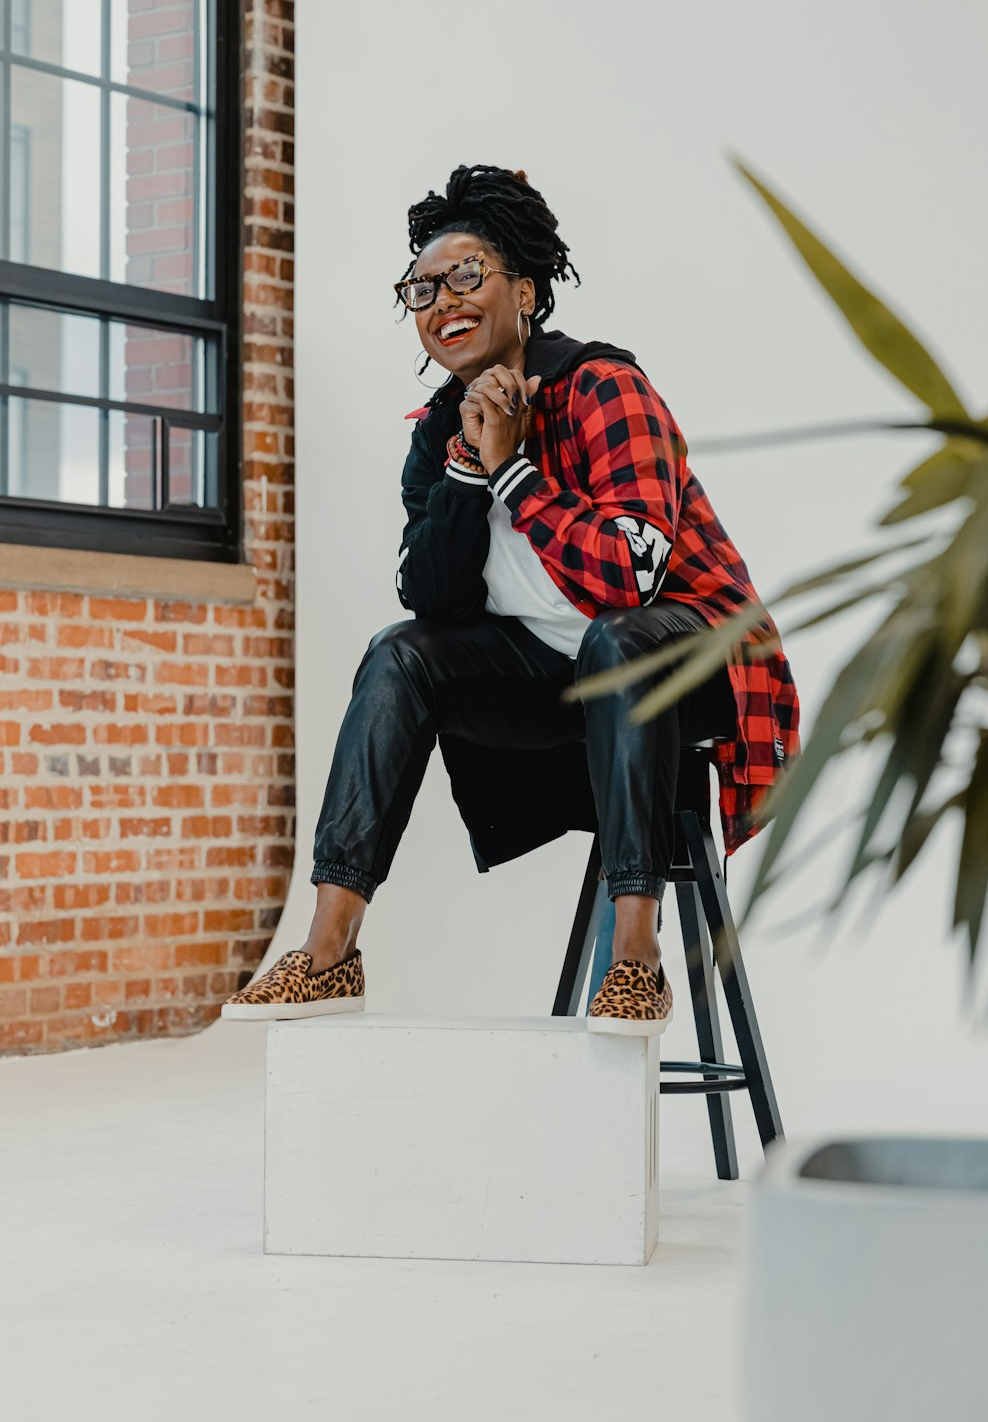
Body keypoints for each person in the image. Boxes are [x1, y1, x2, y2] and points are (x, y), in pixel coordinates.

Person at [222, 164, 800, 1035]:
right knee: (398, 653)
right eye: (421, 287)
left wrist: (515, 471)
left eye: (465, 275)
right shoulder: (438, 434)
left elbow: (629, 576)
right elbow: (434, 599)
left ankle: (635, 959)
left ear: (524, 292)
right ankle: (330, 949)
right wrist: (463, 467)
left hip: (691, 659)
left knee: (614, 637)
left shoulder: (605, 388)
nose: (440, 299)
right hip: (557, 679)